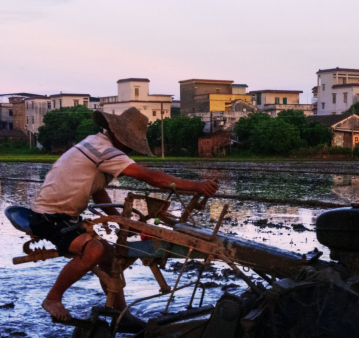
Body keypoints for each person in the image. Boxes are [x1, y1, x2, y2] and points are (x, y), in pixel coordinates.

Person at [28, 108, 218, 322]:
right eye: (130, 144)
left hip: (64, 217)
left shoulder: (94, 144)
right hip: (49, 217)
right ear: (120, 137)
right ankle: (53, 298)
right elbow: (150, 177)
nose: (130, 150)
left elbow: (97, 191)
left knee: (109, 257)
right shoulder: (103, 150)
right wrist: (196, 186)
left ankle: (120, 314)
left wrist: (120, 220)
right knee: (94, 250)